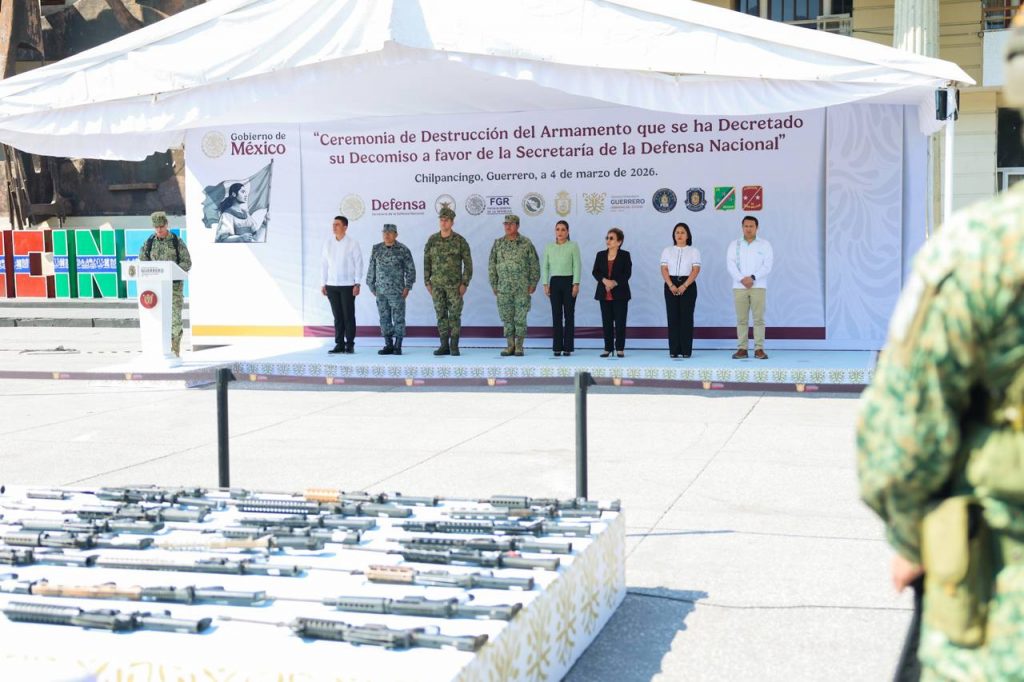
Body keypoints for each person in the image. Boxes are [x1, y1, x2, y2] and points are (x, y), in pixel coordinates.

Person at [138, 211, 192, 357]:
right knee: (157, 319)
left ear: (167, 224)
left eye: (161, 226)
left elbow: (187, 262)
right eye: (156, 227)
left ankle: (175, 349)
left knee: (175, 320)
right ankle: (159, 349)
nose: (159, 230)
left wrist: (171, 271)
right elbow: (143, 260)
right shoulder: (149, 242)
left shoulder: (176, 242)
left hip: (174, 288)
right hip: (156, 289)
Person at [488, 214, 540, 357]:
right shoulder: (498, 243)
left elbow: (534, 264)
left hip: (521, 287)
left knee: (520, 318)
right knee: (507, 317)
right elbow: (492, 265)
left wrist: (533, 282)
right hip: (503, 287)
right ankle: (510, 345)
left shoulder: (526, 243)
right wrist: (494, 284)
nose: (508, 226)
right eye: (506, 224)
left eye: (511, 224)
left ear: (517, 225)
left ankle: (519, 346)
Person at [423, 206, 473, 356]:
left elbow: (468, 264)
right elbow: (426, 262)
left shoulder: (460, 241)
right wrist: (427, 282)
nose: (443, 223)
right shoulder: (432, 240)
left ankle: (454, 346)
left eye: (446, 220)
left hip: (454, 286)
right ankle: (444, 345)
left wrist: (464, 283)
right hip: (437, 286)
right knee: (441, 315)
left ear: (452, 222)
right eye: (441, 220)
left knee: (455, 316)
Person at [726, 215, 773, 359]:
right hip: (739, 286)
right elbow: (730, 264)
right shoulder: (734, 244)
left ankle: (759, 349)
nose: (748, 229)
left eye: (751, 226)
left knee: (758, 319)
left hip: (758, 286)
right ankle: (742, 349)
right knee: (742, 319)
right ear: (742, 227)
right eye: (746, 226)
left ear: (757, 228)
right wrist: (741, 279)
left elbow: (767, 265)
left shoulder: (765, 245)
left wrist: (753, 278)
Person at [366, 223, 416, 356]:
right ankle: (388, 344)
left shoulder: (403, 249)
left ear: (396, 234)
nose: (386, 235)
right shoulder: (376, 249)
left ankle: (398, 346)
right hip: (381, 291)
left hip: (397, 291)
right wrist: (371, 285)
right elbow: (372, 268)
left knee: (398, 318)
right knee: (384, 318)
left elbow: (410, 270)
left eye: (390, 232)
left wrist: (407, 287)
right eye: (384, 232)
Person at [320, 215, 363, 354]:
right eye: (333, 224)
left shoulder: (353, 243)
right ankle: (339, 344)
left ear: (345, 227)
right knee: (337, 316)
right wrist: (323, 283)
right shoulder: (328, 243)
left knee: (348, 316)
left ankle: (349, 344)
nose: (334, 227)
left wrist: (357, 283)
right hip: (331, 285)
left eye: (337, 224)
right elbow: (324, 264)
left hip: (348, 285)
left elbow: (359, 264)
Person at [541, 220, 582, 357]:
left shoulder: (573, 246)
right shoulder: (549, 247)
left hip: (569, 281)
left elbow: (577, 265)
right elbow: (545, 266)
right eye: (557, 229)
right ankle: (557, 347)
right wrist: (545, 284)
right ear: (555, 231)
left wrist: (576, 284)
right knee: (556, 315)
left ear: (568, 232)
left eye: (563, 229)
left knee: (569, 315)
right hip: (555, 282)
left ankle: (568, 347)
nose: (560, 232)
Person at [660, 222, 701, 359]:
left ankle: (686, 350)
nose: (679, 235)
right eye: (677, 232)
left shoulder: (694, 251)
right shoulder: (667, 250)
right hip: (670, 284)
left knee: (686, 318)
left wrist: (684, 285)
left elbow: (695, 270)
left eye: (683, 232)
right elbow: (664, 269)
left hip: (688, 284)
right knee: (672, 317)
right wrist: (671, 285)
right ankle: (674, 350)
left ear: (688, 235)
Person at [591, 227, 631, 358]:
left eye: (611, 238)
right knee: (606, 323)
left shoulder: (625, 255)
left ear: (619, 242)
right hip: (604, 293)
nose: (608, 240)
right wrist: (605, 281)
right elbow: (595, 271)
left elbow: (627, 273)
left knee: (620, 322)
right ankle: (607, 348)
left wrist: (614, 282)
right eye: (607, 238)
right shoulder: (600, 255)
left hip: (620, 294)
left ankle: (620, 348)